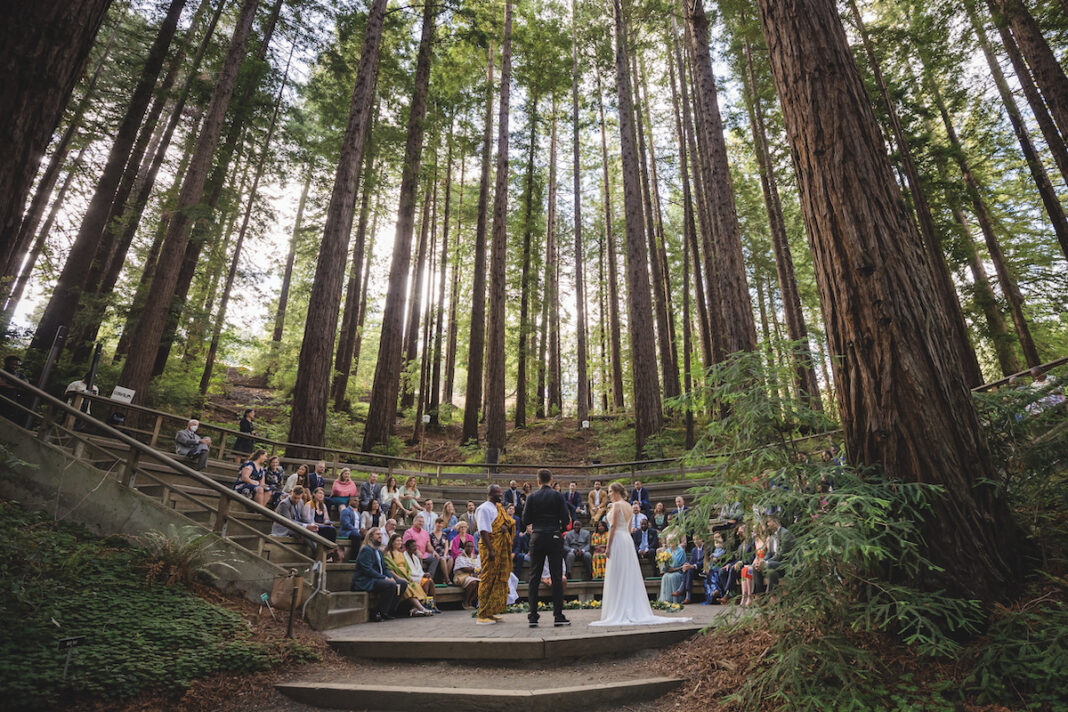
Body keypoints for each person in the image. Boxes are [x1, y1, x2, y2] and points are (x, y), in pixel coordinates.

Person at [590, 483, 690, 627]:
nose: (609, 494)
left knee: (617, 574)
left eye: (610, 491)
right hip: (627, 540)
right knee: (627, 573)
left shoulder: (617, 505)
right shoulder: (629, 507)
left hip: (617, 540)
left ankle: (618, 608)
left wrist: (608, 546)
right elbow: (630, 529)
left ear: (617, 491)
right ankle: (628, 605)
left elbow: (612, 526)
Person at [521, 469, 571, 628]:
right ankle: (558, 615)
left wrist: (537, 524)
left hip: (537, 536)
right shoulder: (557, 496)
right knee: (557, 576)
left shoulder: (532, 497)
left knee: (534, 576)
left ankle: (533, 616)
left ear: (537, 481)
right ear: (551, 479)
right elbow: (565, 517)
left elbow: (525, 519)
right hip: (554, 535)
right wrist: (557, 527)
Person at [475, 484, 515, 625]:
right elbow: (484, 531)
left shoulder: (498, 508)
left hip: (500, 547)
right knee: (487, 580)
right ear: (491, 494)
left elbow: (505, 523)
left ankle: (491, 611)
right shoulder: (484, 508)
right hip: (489, 548)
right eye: (499, 493)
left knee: (497, 579)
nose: (501, 495)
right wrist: (491, 550)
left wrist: (505, 527)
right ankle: (482, 614)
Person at [351, 528, 405, 622]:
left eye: (381, 534)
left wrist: (391, 577)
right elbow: (367, 570)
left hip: (377, 579)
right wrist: (385, 578)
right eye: (377, 534)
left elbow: (384, 568)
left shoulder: (379, 552)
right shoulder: (366, 550)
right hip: (365, 580)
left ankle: (389, 610)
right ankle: (378, 612)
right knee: (390, 584)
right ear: (371, 537)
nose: (380, 536)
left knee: (402, 583)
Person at [382, 534, 431, 617]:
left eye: (401, 541)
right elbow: (390, 568)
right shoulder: (389, 553)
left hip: (405, 575)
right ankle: (421, 609)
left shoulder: (401, 553)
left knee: (416, 585)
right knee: (407, 587)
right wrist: (399, 577)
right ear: (392, 542)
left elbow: (407, 568)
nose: (400, 542)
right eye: (397, 541)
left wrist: (408, 576)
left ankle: (414, 609)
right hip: (397, 575)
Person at [753, 514, 795, 594]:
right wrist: (762, 561)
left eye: (768, 522)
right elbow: (769, 554)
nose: (767, 525)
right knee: (755, 567)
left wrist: (765, 563)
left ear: (774, 521)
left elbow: (781, 555)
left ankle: (771, 595)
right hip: (775, 564)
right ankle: (760, 595)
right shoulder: (772, 537)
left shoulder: (785, 534)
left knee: (769, 565)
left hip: (786, 564)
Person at [403, 538, 440, 612]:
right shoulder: (404, 557)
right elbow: (410, 572)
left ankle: (433, 605)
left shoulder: (415, 557)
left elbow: (420, 570)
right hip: (410, 577)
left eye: (415, 546)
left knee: (430, 580)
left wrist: (424, 574)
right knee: (426, 582)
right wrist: (422, 576)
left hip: (418, 576)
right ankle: (422, 605)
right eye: (412, 546)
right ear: (407, 548)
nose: (415, 548)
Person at [402, 511, 440, 581]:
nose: (421, 523)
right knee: (418, 557)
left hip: (424, 554)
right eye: (419, 521)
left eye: (422, 522)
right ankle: (420, 579)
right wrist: (416, 551)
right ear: (414, 522)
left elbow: (428, 545)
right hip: (412, 554)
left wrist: (433, 551)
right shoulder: (408, 532)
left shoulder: (425, 532)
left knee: (435, 558)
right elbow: (408, 546)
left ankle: (429, 578)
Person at [453, 539, 481, 610]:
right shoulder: (460, 557)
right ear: (464, 547)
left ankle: (470, 602)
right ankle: (465, 602)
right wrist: (475, 570)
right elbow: (463, 569)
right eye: (468, 546)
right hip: (461, 576)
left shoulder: (475, 557)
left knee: (480, 583)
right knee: (473, 582)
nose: (470, 548)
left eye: (471, 547)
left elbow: (479, 567)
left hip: (473, 576)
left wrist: (477, 570)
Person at [658, 537, 687, 604]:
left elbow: (683, 565)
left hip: (678, 571)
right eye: (669, 541)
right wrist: (667, 568)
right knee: (665, 576)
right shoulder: (666, 551)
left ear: (676, 542)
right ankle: (666, 599)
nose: (671, 543)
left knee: (673, 576)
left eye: (672, 541)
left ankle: (675, 599)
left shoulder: (681, 551)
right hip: (669, 571)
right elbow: (663, 564)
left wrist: (674, 569)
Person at [0, 355, 28, 423]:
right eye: (12, 364)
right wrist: (15, 386)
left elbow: (25, 385)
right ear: (7, 364)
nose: (15, 367)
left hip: (12, 401)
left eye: (17, 365)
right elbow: (1, 383)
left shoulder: (20, 375)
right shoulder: (2, 372)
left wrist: (10, 386)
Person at [679, 535, 705, 604]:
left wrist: (693, 566)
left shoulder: (707, 548)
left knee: (690, 570)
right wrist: (687, 565)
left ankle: (683, 591)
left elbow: (704, 562)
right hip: (695, 571)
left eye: (697, 539)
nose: (695, 541)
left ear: (701, 539)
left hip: (703, 571)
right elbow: (691, 561)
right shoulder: (694, 550)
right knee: (687, 569)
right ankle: (687, 596)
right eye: (694, 539)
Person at [429, 517, 453, 585]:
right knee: (442, 559)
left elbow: (446, 546)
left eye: (441, 523)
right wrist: (435, 552)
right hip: (435, 553)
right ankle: (447, 579)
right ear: (435, 524)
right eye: (438, 523)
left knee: (450, 559)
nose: (440, 525)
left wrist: (445, 554)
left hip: (443, 552)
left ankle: (444, 578)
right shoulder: (431, 535)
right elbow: (430, 546)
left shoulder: (444, 535)